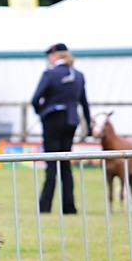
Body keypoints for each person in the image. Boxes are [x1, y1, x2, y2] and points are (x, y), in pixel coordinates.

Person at [32, 42, 90, 214]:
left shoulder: (50, 74)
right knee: (66, 164)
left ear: (56, 55)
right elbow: (84, 103)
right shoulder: (79, 75)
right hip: (71, 121)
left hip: (52, 121)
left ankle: (45, 206)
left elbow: (35, 99)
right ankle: (69, 206)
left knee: (51, 164)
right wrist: (88, 123)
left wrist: (42, 113)